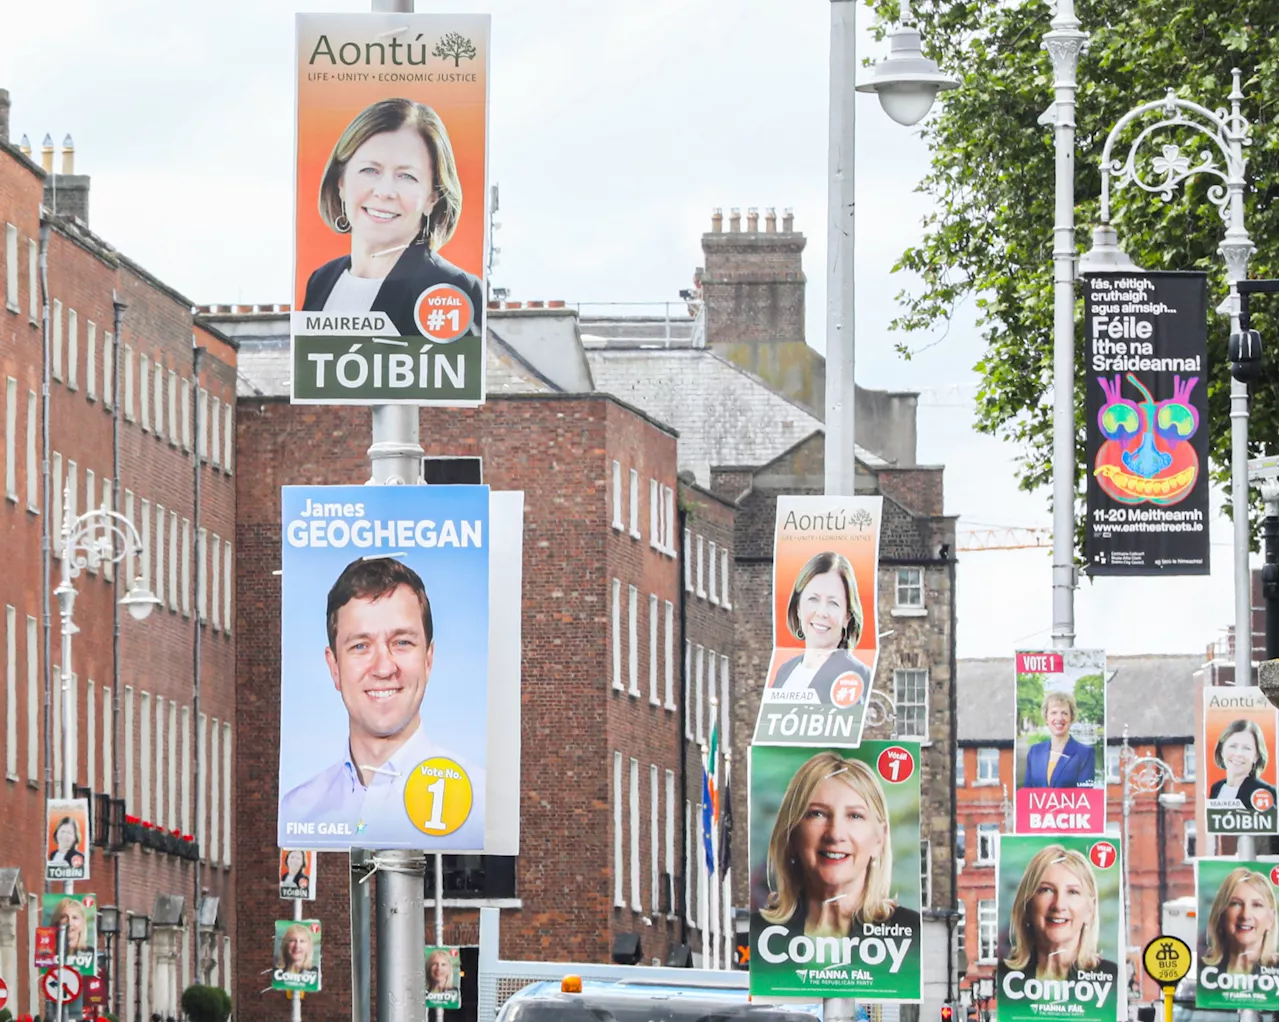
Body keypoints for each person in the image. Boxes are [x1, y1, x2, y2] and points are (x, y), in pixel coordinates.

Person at [278, 556, 485, 848]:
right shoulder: (298, 812)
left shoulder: (480, 803)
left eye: (402, 642)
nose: (384, 667)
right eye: (360, 646)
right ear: (334, 667)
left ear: (428, 659)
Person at [302, 97, 483, 337]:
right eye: (370, 170)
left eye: (407, 176)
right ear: (341, 182)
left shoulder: (450, 288)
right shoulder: (321, 280)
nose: (385, 192)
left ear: (432, 198)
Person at [753, 750, 918, 938]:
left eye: (855, 816)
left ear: (880, 838)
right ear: (790, 834)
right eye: (817, 814)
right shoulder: (761, 935)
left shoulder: (909, 936)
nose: (835, 834)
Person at [999, 845, 1118, 983]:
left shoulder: (1112, 981)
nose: (1059, 905)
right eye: (1046, 890)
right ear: (1027, 904)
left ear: (1090, 909)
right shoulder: (1002, 979)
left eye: (1073, 892)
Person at [769, 552, 871, 705]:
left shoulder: (857, 675)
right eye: (813, 599)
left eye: (833, 603)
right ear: (798, 608)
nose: (821, 612)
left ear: (847, 617)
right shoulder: (785, 670)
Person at [1203, 867, 1280, 974]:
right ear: (1221, 914)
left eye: (1257, 905)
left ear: (1270, 919)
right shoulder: (1201, 969)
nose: (1245, 915)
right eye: (1236, 903)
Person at [1022, 692, 1096, 789]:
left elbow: (1085, 797)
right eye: (1054, 712)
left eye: (1064, 713)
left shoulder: (1085, 754)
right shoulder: (1034, 752)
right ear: (1046, 718)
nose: (1059, 718)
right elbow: (1028, 795)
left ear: (1071, 718)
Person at [1208, 719, 1277, 810]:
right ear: (1221, 750)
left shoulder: (1265, 793)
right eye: (1233, 746)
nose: (1238, 754)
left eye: (1246, 748)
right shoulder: (1216, 788)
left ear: (1256, 756)